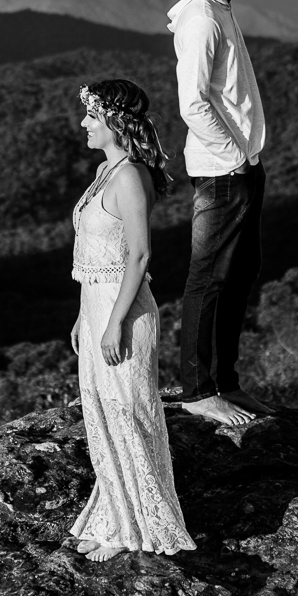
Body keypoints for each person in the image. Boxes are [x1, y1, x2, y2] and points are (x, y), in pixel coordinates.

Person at [68, 79, 196, 562]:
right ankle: (112, 516)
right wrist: (85, 317)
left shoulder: (129, 178)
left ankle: (136, 527)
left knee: (130, 415)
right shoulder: (105, 170)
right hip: (97, 307)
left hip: (125, 313)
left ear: (114, 122)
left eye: (92, 116)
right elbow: (96, 256)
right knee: (102, 414)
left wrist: (115, 323)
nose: (84, 123)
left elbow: (139, 256)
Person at [166, 0, 271, 427]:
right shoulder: (202, 18)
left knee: (238, 276)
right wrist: (234, 156)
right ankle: (197, 392)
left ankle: (225, 382)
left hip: (241, 167)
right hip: (222, 171)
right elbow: (191, 102)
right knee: (208, 279)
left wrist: (247, 160)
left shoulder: (219, 9)